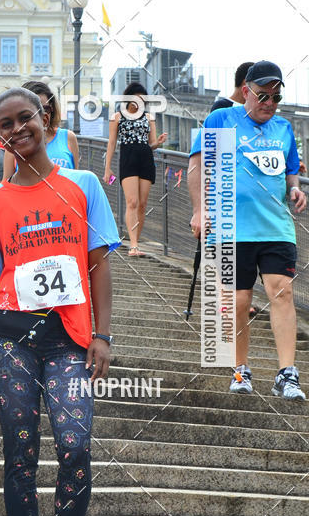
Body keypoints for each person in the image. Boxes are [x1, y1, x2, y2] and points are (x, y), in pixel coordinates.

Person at [0, 87, 119, 516]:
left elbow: (98, 263)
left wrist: (103, 334)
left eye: (24, 118)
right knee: (20, 454)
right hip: (10, 337)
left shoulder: (84, 185)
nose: (17, 129)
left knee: (74, 445)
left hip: (70, 339)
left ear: (45, 118)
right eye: (4, 124)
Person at [188, 60, 307, 399]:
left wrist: (296, 190)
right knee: (239, 302)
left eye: (275, 97)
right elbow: (197, 166)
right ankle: (240, 369)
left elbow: (290, 175)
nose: (269, 103)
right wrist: (199, 209)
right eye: (263, 96)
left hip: (275, 228)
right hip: (230, 228)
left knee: (282, 292)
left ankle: (287, 374)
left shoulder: (283, 129)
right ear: (246, 92)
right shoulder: (221, 120)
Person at [103, 82, 167, 256]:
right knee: (132, 202)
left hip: (145, 158)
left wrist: (158, 142)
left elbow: (151, 144)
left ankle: (135, 243)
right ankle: (133, 245)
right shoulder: (117, 117)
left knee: (142, 205)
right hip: (127, 158)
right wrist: (107, 168)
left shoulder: (148, 117)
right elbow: (111, 143)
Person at [2, 81, 79, 178]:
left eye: (45, 109)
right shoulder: (15, 144)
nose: (40, 116)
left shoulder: (68, 137)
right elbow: (7, 186)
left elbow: (76, 179)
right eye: (31, 111)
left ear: (52, 110)